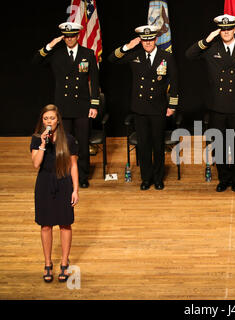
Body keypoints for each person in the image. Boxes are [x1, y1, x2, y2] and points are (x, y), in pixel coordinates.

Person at [185, 14, 235, 192]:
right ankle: (223, 178)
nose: (226, 32)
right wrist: (207, 39)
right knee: (220, 145)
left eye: (229, 29)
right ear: (219, 31)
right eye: (222, 29)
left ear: (234, 29)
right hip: (217, 106)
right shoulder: (211, 48)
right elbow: (189, 55)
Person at [108, 25, 178, 190]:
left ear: (155, 39)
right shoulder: (135, 55)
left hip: (158, 108)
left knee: (158, 145)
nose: (147, 42)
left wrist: (172, 105)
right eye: (144, 39)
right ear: (141, 40)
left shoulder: (166, 56)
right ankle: (146, 178)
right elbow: (112, 59)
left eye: (150, 39)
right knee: (144, 145)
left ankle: (158, 178)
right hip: (140, 108)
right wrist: (128, 46)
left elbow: (175, 81)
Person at [33, 22, 100, 189]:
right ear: (63, 37)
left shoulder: (88, 54)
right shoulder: (56, 54)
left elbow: (95, 80)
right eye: (66, 36)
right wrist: (50, 45)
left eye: (72, 36)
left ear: (78, 36)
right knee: (63, 144)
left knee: (83, 144)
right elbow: (36, 61)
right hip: (62, 107)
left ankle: (83, 176)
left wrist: (94, 105)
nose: (70, 39)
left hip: (82, 106)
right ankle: (65, 174)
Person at [30, 105, 79, 283]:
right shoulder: (37, 139)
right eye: (45, 119)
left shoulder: (69, 140)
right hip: (44, 184)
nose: (49, 121)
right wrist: (43, 144)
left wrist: (75, 190)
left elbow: (73, 166)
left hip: (64, 183)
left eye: (52, 118)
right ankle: (48, 263)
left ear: (58, 120)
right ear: (42, 121)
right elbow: (36, 164)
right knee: (45, 225)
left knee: (65, 224)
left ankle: (65, 262)